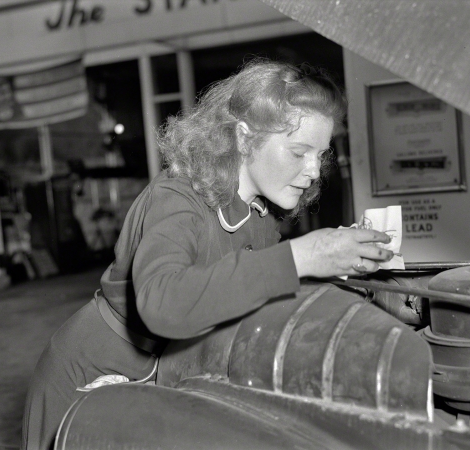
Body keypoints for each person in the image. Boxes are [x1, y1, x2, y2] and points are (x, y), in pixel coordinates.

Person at [21, 58, 393, 449]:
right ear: (245, 138)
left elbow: (252, 293)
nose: (315, 170)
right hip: (92, 373)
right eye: (299, 152)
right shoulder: (176, 197)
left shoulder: (260, 216)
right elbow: (163, 302)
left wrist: (346, 274)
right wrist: (301, 256)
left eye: (321, 154)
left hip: (170, 374)